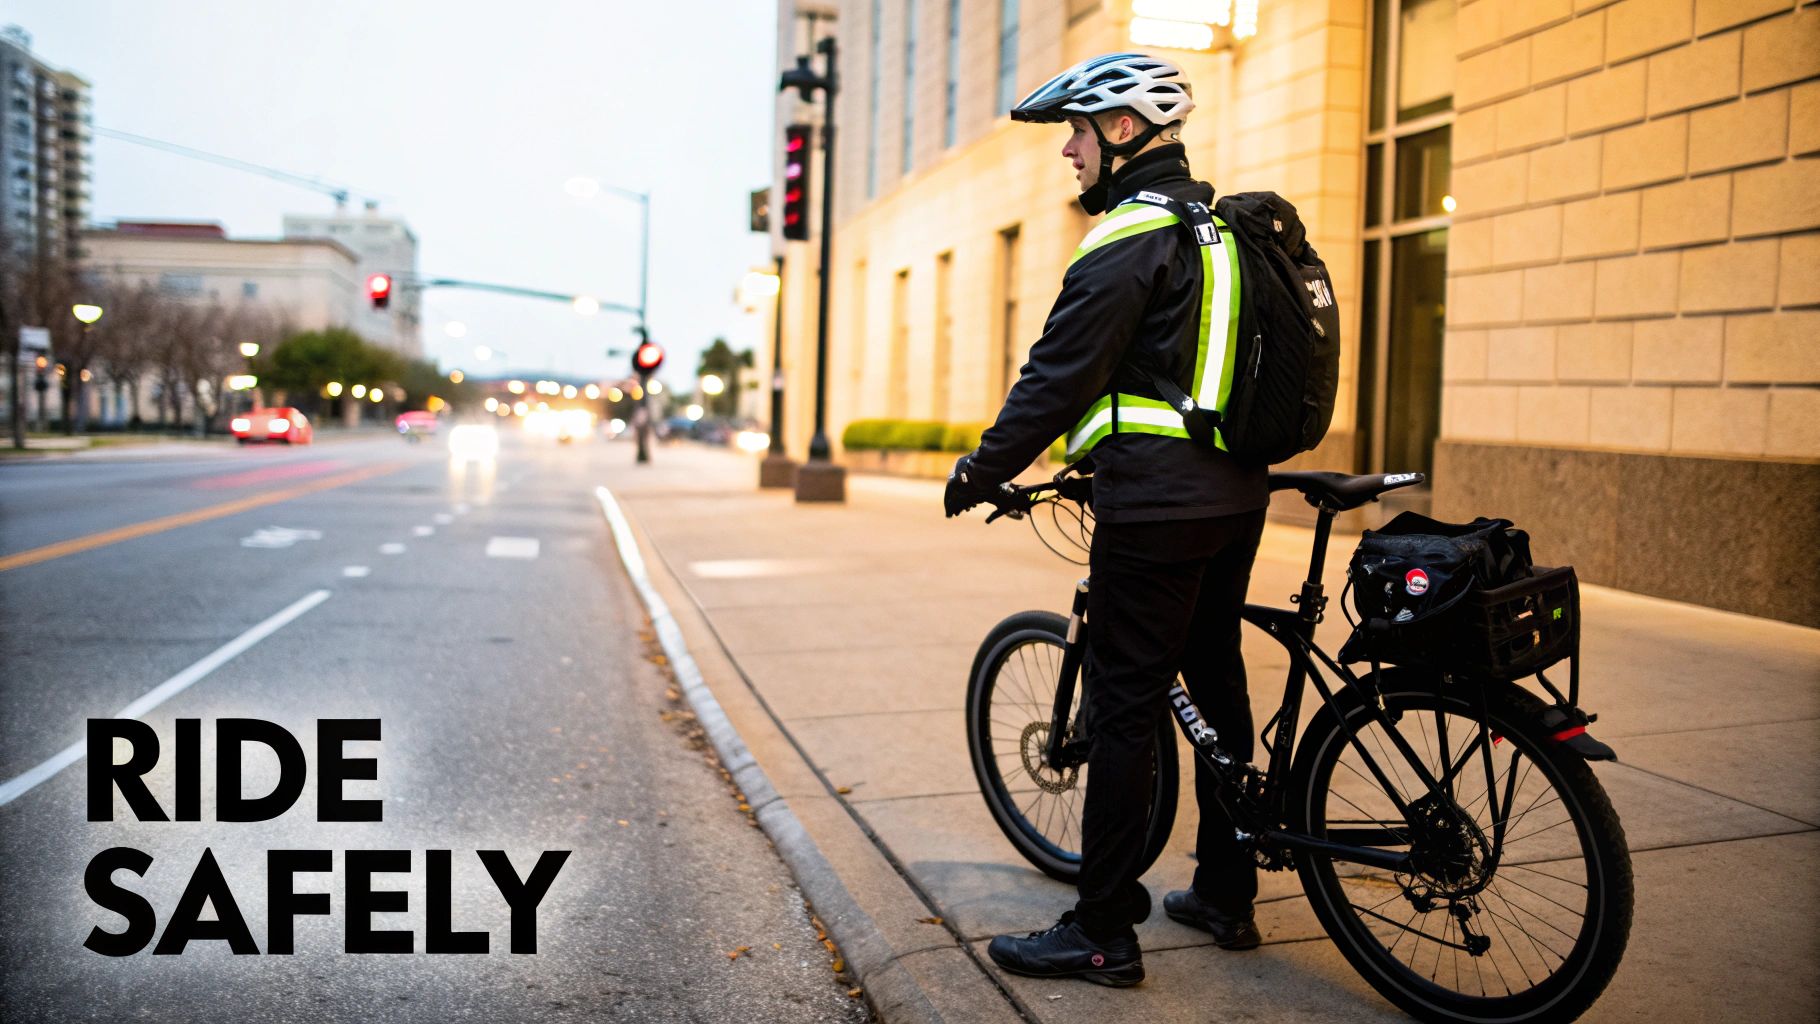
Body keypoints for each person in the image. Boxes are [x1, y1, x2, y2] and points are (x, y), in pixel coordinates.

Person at [944, 52, 1269, 987]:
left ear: (1123, 131)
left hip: (1158, 508)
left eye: (1076, 134)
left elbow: (1059, 373)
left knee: (1126, 707)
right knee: (1212, 685)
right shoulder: (1221, 227)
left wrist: (983, 467)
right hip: (1233, 498)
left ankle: (1101, 930)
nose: (1069, 155)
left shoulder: (1128, 234)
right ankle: (1225, 888)